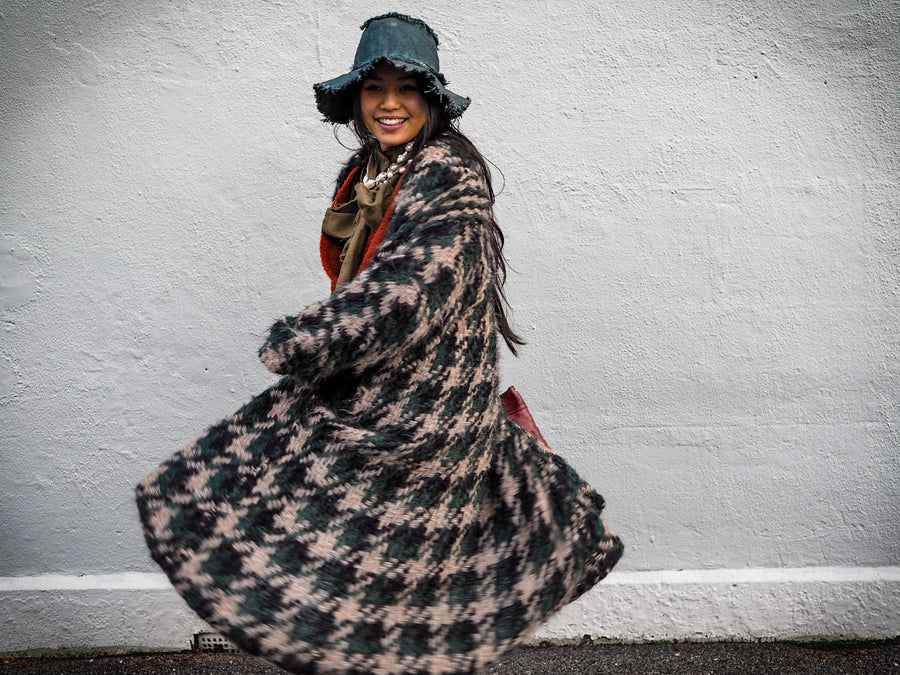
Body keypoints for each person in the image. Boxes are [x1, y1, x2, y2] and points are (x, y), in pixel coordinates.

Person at [136, 13, 623, 675]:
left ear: (431, 99)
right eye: (375, 89)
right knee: (340, 582)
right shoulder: (370, 172)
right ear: (356, 100)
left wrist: (309, 339)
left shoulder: (449, 172)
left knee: (384, 598)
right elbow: (360, 276)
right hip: (375, 394)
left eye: (407, 89)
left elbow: (411, 287)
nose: (390, 104)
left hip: (423, 420)